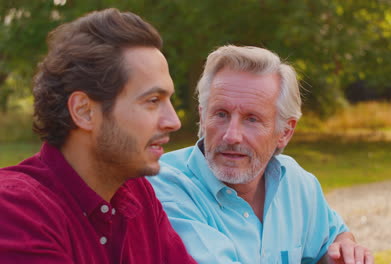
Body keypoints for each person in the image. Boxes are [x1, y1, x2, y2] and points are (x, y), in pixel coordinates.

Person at [0, 8, 196, 264]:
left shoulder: (139, 198)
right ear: (84, 111)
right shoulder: (17, 211)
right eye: (152, 100)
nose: (174, 121)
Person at [148, 45, 371, 264]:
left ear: (285, 132)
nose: (231, 136)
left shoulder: (295, 181)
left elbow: (334, 238)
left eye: (252, 119)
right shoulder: (165, 186)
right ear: (203, 116)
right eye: (221, 114)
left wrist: (343, 251)